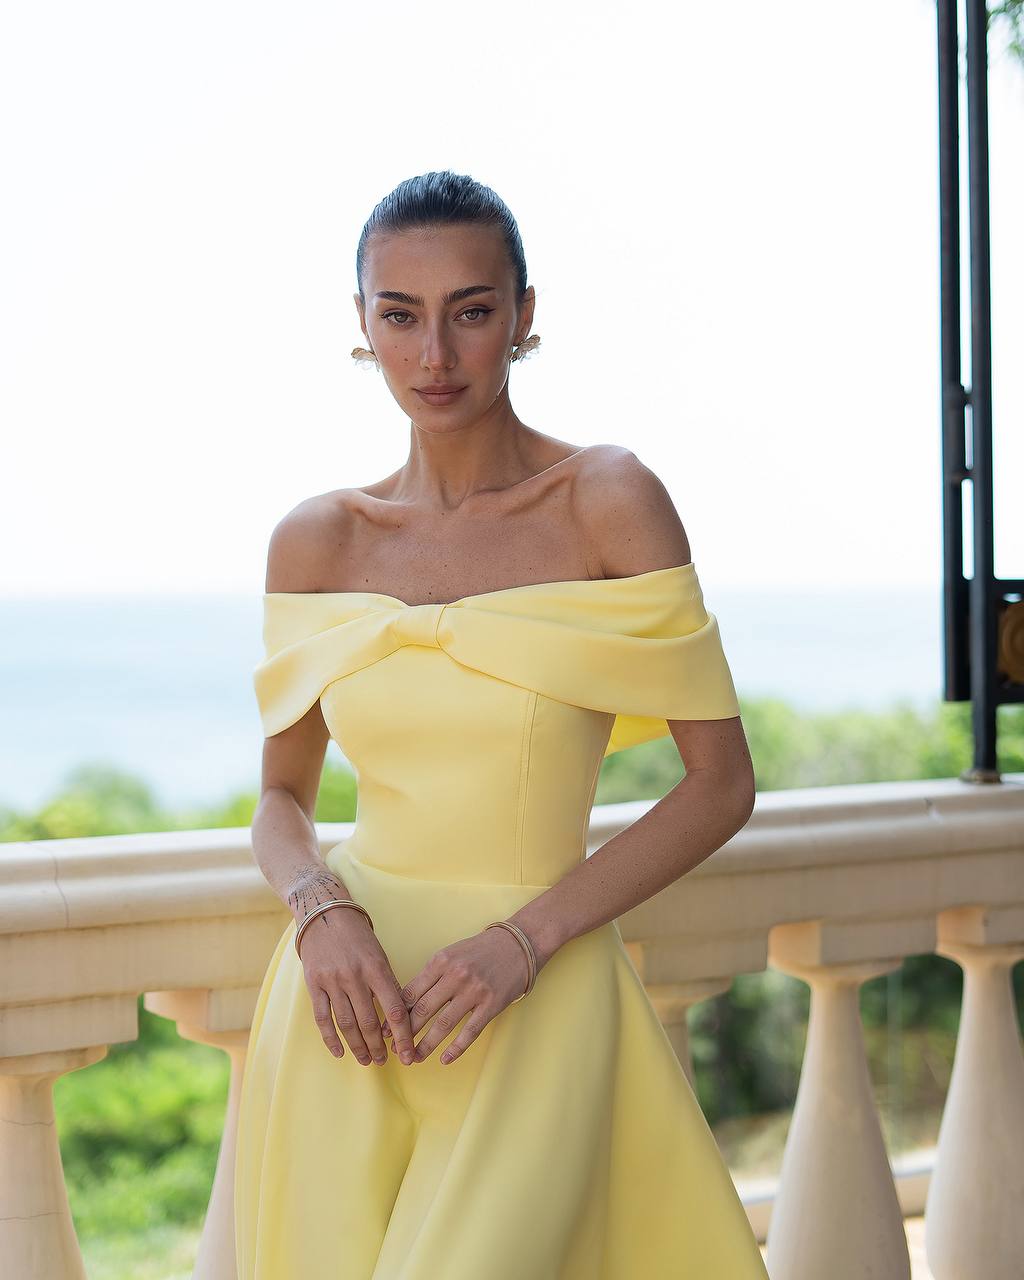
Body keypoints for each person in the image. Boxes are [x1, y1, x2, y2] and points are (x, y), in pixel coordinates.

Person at [234, 169, 769, 1278]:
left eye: (470, 311)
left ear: (523, 316)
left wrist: (523, 941)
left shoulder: (605, 500)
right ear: (363, 326)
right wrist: (318, 907)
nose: (435, 354)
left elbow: (719, 782)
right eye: (401, 315)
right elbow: (281, 797)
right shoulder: (316, 540)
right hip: (351, 1003)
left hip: (534, 991)